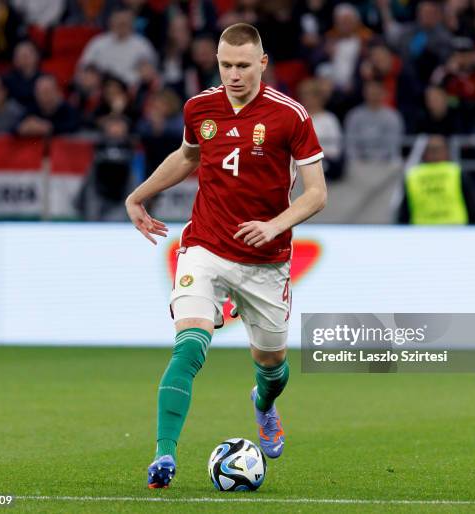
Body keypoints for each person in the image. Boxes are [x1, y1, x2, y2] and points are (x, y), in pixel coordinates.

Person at [124, 22, 326, 489]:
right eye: (225, 65)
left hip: (267, 259)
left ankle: (264, 403)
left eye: (242, 65)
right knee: (189, 344)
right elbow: (188, 156)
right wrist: (139, 196)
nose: (233, 74)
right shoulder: (200, 107)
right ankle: (164, 455)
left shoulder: (290, 116)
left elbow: (317, 194)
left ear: (262, 63)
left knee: (272, 366)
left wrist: (274, 225)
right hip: (205, 247)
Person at [397, 135, 475, 224]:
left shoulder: (413, 175)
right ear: (446, 152)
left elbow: (404, 213)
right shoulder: (455, 172)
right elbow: (473, 207)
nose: (435, 154)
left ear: (424, 154)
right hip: (454, 230)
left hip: (422, 231)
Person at [16, 74, 80, 136]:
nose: (44, 96)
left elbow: (74, 126)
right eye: (41, 92)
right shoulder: (32, 109)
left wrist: (49, 128)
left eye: (47, 92)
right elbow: (14, 128)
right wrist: (22, 128)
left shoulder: (68, 110)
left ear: (56, 91)